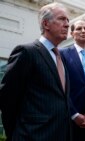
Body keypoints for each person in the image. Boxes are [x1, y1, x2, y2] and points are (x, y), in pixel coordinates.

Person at [0, 2, 71, 141]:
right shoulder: (27, 52)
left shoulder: (61, 58)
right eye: (62, 19)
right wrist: (17, 134)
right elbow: (7, 98)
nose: (67, 24)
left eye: (68, 20)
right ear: (46, 24)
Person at [60, 18, 85, 141]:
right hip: (69, 119)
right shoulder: (62, 54)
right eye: (78, 29)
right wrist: (74, 114)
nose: (83, 31)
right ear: (72, 34)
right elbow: (61, 86)